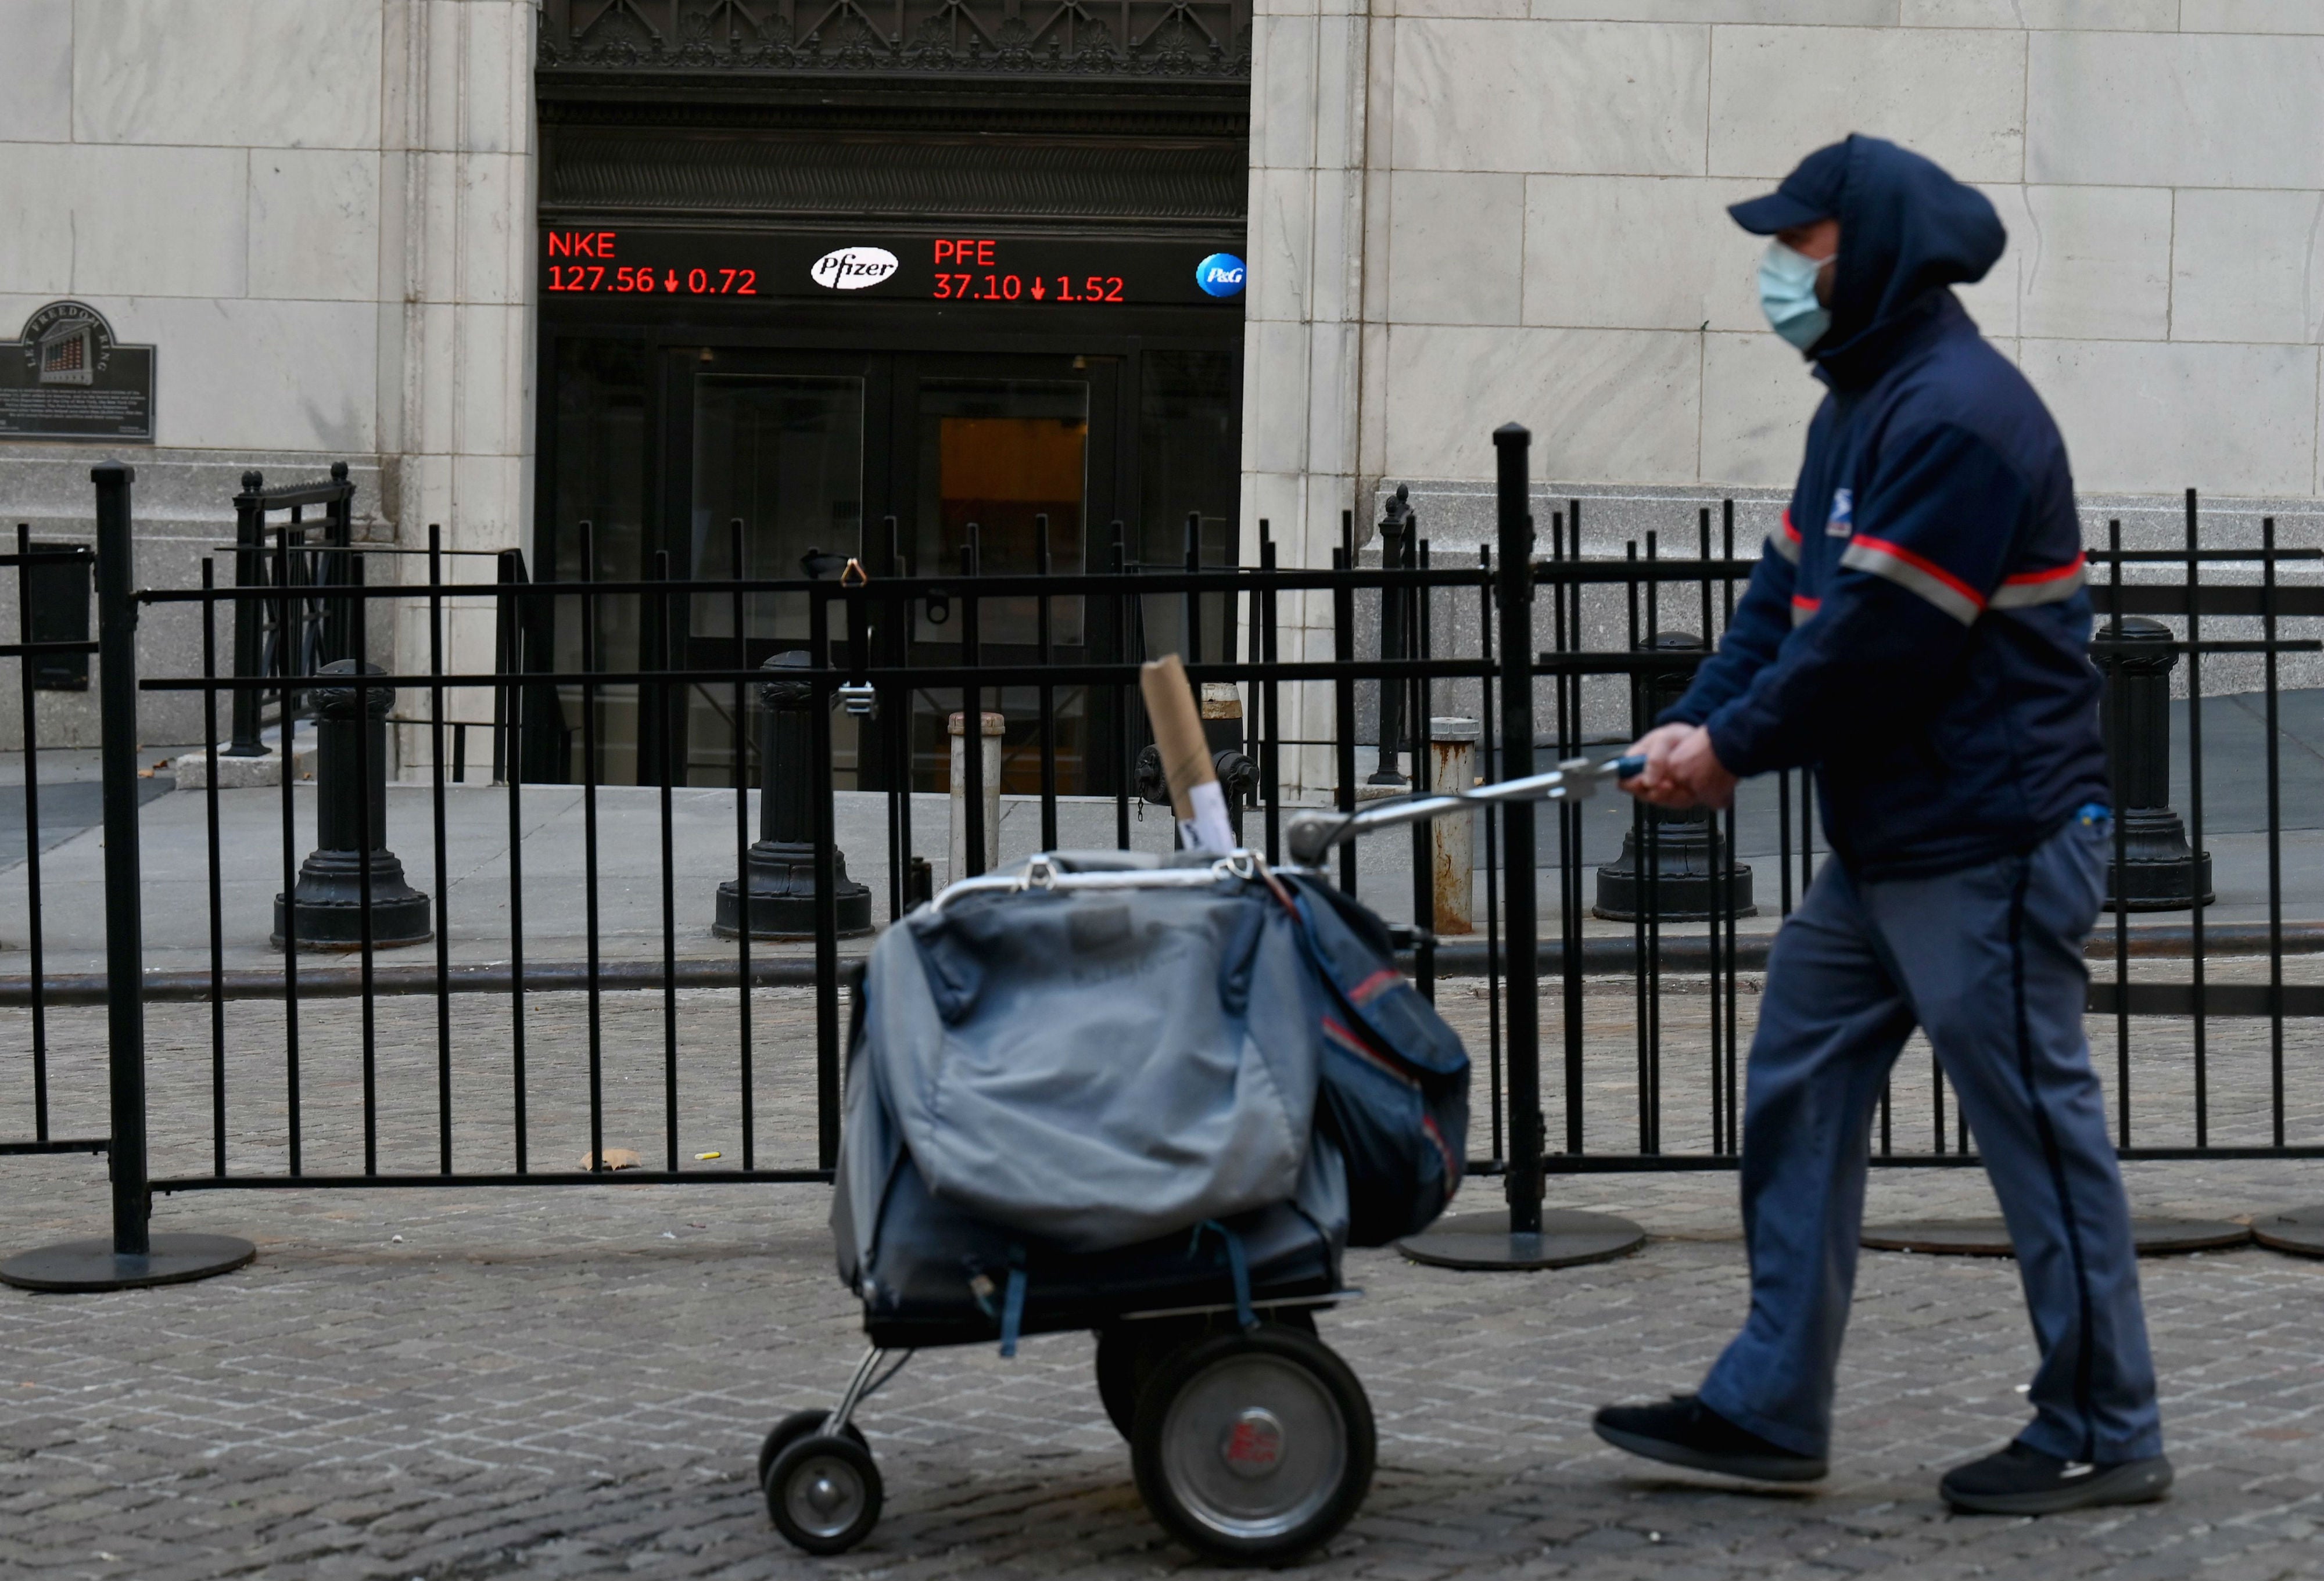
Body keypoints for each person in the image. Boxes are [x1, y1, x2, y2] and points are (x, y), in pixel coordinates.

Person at [1591, 135, 2170, 1517]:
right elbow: (1780, 609)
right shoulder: (1855, 402)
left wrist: (1728, 748)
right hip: (1890, 842)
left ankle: (2103, 1423)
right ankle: (1767, 1404)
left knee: (2033, 1129)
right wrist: (1692, 722)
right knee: (1794, 1084)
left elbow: (1878, 646)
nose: (1778, 271)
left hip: (1991, 839)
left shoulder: (1957, 414)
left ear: (1869, 255)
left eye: (1799, 248)